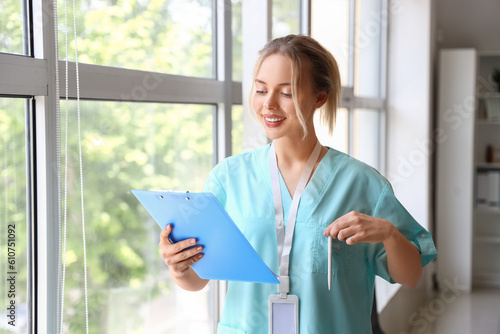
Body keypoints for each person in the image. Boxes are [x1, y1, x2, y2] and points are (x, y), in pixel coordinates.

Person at [159, 34, 437, 333]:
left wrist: (390, 235)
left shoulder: (362, 183)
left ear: (320, 97)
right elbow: (198, 280)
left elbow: (409, 277)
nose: (268, 104)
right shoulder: (228, 177)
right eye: (261, 90)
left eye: (287, 93)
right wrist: (179, 267)